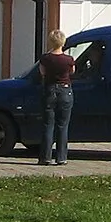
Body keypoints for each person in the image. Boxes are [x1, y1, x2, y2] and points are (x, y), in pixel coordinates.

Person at [38, 28, 77, 166]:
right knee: (62, 125)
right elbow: (72, 71)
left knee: (48, 125)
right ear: (63, 42)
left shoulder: (45, 58)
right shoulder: (68, 59)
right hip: (65, 91)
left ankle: (45, 157)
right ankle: (61, 157)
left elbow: (42, 72)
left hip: (49, 90)